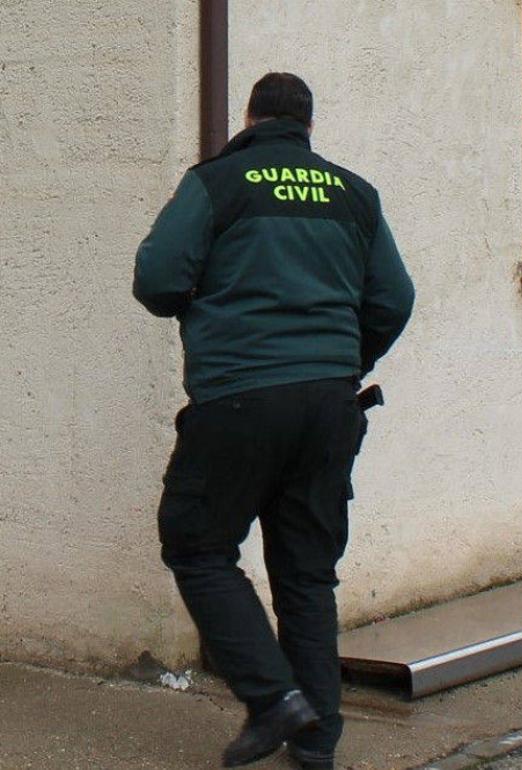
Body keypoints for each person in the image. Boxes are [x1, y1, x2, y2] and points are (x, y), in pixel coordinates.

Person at [133, 72, 414, 768]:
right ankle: (316, 743)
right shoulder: (354, 194)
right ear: (309, 127)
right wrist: (343, 359)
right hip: (329, 405)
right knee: (308, 574)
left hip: (239, 398)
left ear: (252, 118)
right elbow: (395, 299)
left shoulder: (218, 183)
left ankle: (272, 698)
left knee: (196, 546)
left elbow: (158, 280)